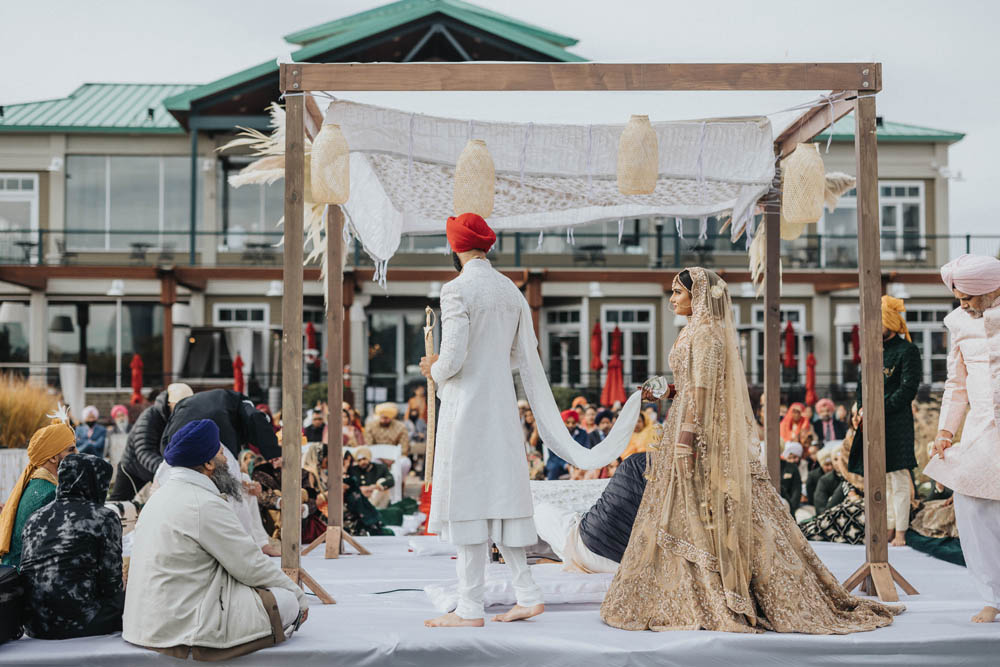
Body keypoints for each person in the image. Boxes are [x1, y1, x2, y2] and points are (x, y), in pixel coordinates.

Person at [601, 267, 899, 634]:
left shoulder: (708, 335)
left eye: (678, 292)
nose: (672, 299)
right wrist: (668, 392)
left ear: (697, 296)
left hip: (702, 434)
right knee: (682, 510)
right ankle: (682, 592)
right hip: (686, 421)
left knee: (714, 508)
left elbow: (706, 393)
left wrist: (686, 439)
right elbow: (692, 386)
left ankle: (724, 593)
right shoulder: (692, 331)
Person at [419, 213, 641, 628]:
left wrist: (431, 367)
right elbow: (523, 355)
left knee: (469, 506)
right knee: (504, 504)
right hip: (503, 408)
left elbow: (451, 360)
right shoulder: (510, 291)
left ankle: (469, 608)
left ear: (454, 248)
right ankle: (527, 593)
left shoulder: (456, 291)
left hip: (468, 410)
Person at [124, 419, 307, 659]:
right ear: (209, 463)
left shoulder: (157, 499)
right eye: (221, 454)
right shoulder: (204, 503)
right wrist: (300, 598)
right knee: (286, 601)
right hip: (182, 625)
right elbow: (250, 566)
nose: (226, 462)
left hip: (143, 623)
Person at [924, 253, 1000, 623]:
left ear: (991, 288)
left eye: (967, 295)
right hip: (980, 429)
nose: (962, 302)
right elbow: (956, 385)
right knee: (971, 506)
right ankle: (991, 596)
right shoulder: (957, 323)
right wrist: (944, 432)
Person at [19, 453, 123, 639]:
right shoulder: (103, 517)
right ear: (95, 482)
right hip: (80, 623)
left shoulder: (34, 518)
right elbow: (111, 585)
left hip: (35, 624)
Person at [851, 295, 921, 547]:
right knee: (881, 477)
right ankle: (889, 526)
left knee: (899, 477)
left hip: (896, 422)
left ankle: (901, 530)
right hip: (872, 421)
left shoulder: (908, 351)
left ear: (889, 323)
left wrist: (878, 409)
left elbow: (908, 389)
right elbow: (861, 385)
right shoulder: (872, 349)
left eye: (877, 323)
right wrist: (861, 408)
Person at [534, 453, 648, 574]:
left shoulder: (635, 463)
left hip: (592, 545)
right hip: (625, 559)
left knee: (539, 510)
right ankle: (570, 558)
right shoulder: (641, 465)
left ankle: (570, 558)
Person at [0, 418, 77, 568]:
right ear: (53, 458)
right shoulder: (49, 493)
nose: (78, 454)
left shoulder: (38, 483)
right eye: (71, 449)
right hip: (26, 581)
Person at [109, 383, 191, 501]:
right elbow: (143, 450)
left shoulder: (182, 418)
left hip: (159, 466)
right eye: (179, 406)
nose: (183, 410)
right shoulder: (150, 416)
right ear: (169, 404)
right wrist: (165, 468)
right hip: (133, 466)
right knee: (119, 502)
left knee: (166, 501)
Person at [161, 387, 280, 461]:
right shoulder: (242, 402)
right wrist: (275, 454)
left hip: (179, 431)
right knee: (226, 469)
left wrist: (165, 456)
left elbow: (166, 439)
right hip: (220, 419)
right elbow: (255, 417)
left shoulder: (185, 403)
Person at [545, 409, 590, 480]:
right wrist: (565, 465)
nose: (571, 425)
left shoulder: (583, 433)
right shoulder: (554, 435)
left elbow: (586, 449)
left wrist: (577, 463)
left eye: (573, 422)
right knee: (554, 468)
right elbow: (553, 455)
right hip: (558, 463)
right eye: (567, 422)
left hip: (578, 463)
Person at [780, 442, 803, 515]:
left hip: (789, 507)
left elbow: (796, 489)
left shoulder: (792, 467)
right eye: (790, 457)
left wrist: (791, 508)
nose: (793, 460)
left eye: (795, 457)